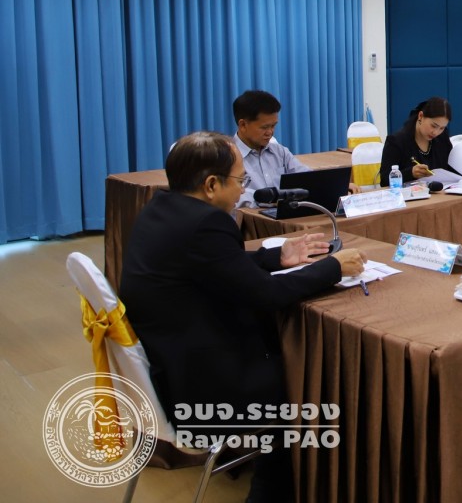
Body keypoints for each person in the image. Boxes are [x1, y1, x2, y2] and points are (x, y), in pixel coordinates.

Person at [121, 132, 364, 503]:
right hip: (206, 389)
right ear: (211, 185)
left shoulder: (162, 208)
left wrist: (276, 256)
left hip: (170, 368)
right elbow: (266, 295)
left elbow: (216, 266)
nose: (243, 190)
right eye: (240, 180)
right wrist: (333, 266)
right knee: (314, 373)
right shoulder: (207, 223)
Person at [232, 89, 309, 208]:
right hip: (250, 217)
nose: (270, 132)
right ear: (243, 125)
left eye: (273, 126)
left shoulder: (280, 152)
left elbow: (306, 178)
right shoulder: (227, 157)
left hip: (283, 214)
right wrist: (270, 201)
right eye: (264, 127)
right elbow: (235, 196)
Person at [380, 97, 454, 182]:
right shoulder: (396, 141)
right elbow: (384, 179)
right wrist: (410, 173)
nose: (436, 132)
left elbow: (451, 170)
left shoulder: (442, 139)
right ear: (420, 116)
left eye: (442, 128)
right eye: (433, 126)